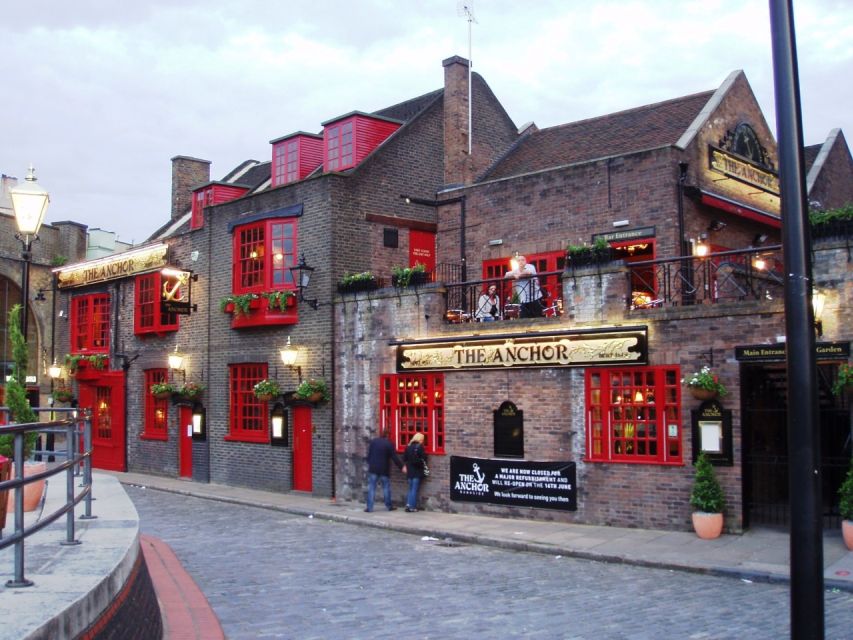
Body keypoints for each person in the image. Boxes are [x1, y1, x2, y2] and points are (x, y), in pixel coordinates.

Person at [364, 429, 405, 512]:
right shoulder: (389, 444)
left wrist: (370, 463)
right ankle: (389, 506)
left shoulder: (374, 442)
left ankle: (369, 507)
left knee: (372, 487)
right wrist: (402, 467)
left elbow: (369, 454)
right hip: (384, 469)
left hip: (373, 468)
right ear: (388, 436)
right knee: (386, 487)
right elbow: (394, 457)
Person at [403, 432, 428, 512]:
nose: (423, 441)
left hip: (409, 471)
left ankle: (408, 504)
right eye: (422, 439)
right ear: (420, 439)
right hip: (416, 471)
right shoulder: (420, 447)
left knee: (410, 489)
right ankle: (412, 507)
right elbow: (424, 458)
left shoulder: (408, 446)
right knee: (414, 489)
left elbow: (404, 458)